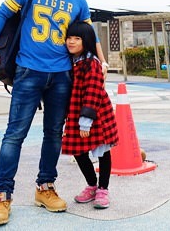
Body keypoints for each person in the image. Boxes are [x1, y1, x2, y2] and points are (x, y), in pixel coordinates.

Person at [0, 0, 107, 226]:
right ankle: (2, 195)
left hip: (63, 74)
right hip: (29, 71)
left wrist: (100, 61)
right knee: (15, 134)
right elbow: (3, 12)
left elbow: (90, 34)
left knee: (54, 133)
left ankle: (45, 187)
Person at [62, 21, 118, 209]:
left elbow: (93, 91)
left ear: (86, 41)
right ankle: (92, 185)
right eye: (69, 38)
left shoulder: (91, 63)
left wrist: (86, 121)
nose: (71, 42)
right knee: (78, 150)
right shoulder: (72, 61)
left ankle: (103, 189)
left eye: (77, 38)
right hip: (77, 112)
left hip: (96, 114)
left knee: (102, 150)